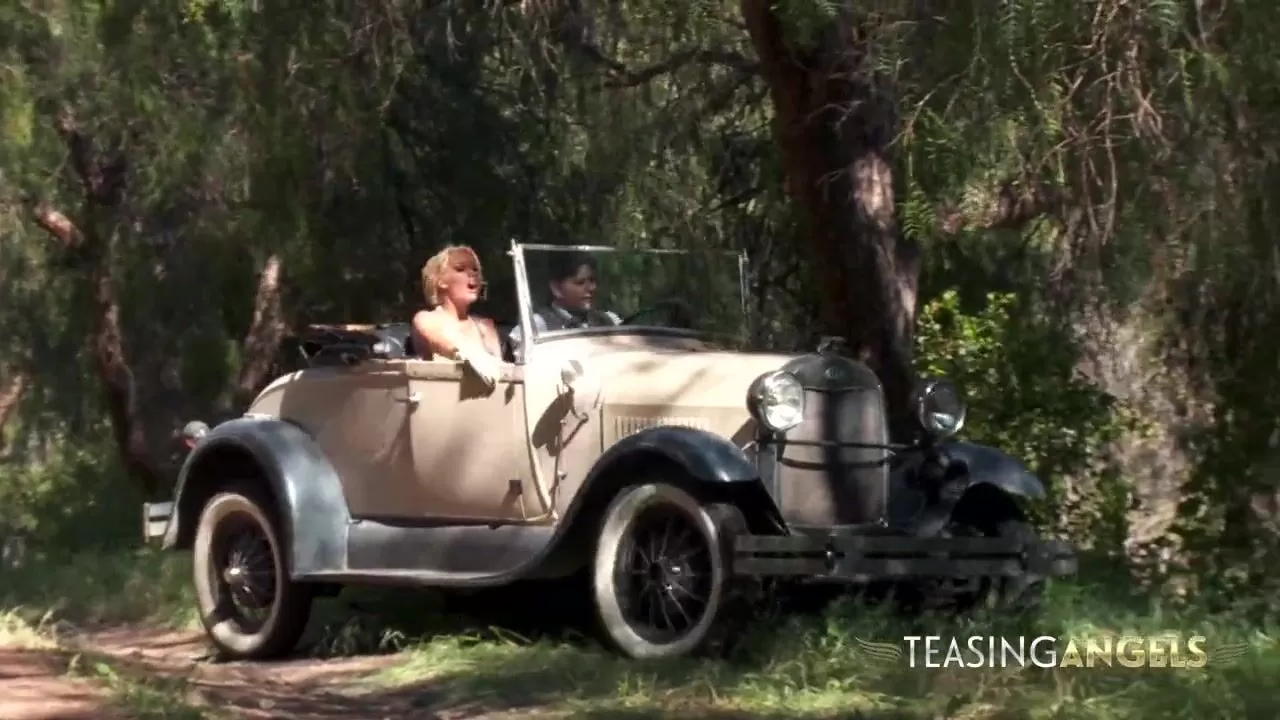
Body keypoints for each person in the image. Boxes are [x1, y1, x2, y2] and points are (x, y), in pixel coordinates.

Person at [411, 245, 503, 388]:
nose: (472, 274)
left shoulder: (485, 326)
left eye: (475, 270)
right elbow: (445, 343)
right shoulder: (427, 319)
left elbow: (502, 374)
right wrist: (467, 354)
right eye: (460, 269)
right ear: (440, 281)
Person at [509, 252, 621, 353]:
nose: (592, 287)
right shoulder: (536, 326)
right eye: (580, 282)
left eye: (592, 281)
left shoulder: (607, 320)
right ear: (556, 288)